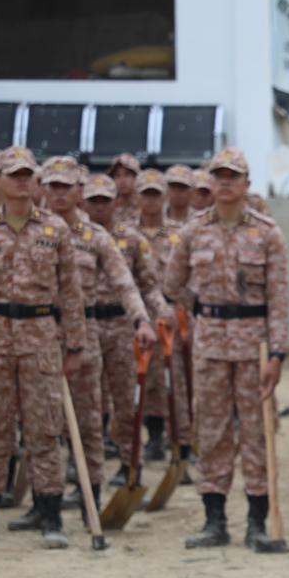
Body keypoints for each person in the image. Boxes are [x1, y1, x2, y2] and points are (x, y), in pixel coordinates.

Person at [0, 146, 87, 550]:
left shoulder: (55, 230)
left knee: (44, 428)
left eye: (26, 174)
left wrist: (76, 344)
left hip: (40, 336)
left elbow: (71, 292)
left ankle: (50, 516)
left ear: (35, 181)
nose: (19, 181)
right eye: (12, 174)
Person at [163, 147, 289, 551]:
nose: (226, 183)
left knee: (256, 431)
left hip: (254, 345)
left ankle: (257, 521)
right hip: (211, 343)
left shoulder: (267, 233)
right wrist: (203, 308)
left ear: (247, 184)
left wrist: (278, 354)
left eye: (233, 176)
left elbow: (279, 299)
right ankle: (214, 521)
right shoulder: (194, 231)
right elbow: (172, 285)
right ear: (210, 183)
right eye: (219, 176)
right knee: (212, 429)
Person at [22, 163, 153, 528]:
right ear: (42, 189)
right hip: (37, 334)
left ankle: (89, 498)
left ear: (78, 191)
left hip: (85, 338)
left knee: (88, 422)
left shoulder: (95, 237)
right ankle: (43, 500)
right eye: (53, 186)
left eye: (67, 187)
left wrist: (141, 320)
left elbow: (125, 282)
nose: (59, 193)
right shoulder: (30, 231)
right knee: (39, 422)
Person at [84, 176, 169, 473]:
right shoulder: (73, 238)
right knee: (88, 404)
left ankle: (130, 464)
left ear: (116, 203)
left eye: (104, 201)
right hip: (86, 326)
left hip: (121, 325)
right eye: (93, 200)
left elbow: (148, 285)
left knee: (126, 403)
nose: (99, 207)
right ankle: (86, 471)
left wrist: (161, 311)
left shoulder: (132, 240)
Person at [135, 170, 194, 468]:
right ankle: (152, 437)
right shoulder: (126, 234)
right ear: (137, 197)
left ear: (165, 197)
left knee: (176, 382)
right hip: (137, 317)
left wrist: (184, 316)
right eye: (145, 194)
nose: (151, 200)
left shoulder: (178, 235)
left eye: (156, 194)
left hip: (171, 317)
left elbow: (189, 278)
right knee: (144, 382)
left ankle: (182, 441)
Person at [108, 152, 141, 224]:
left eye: (127, 175)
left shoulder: (146, 206)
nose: (122, 181)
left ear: (136, 177)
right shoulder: (108, 207)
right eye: (117, 175)